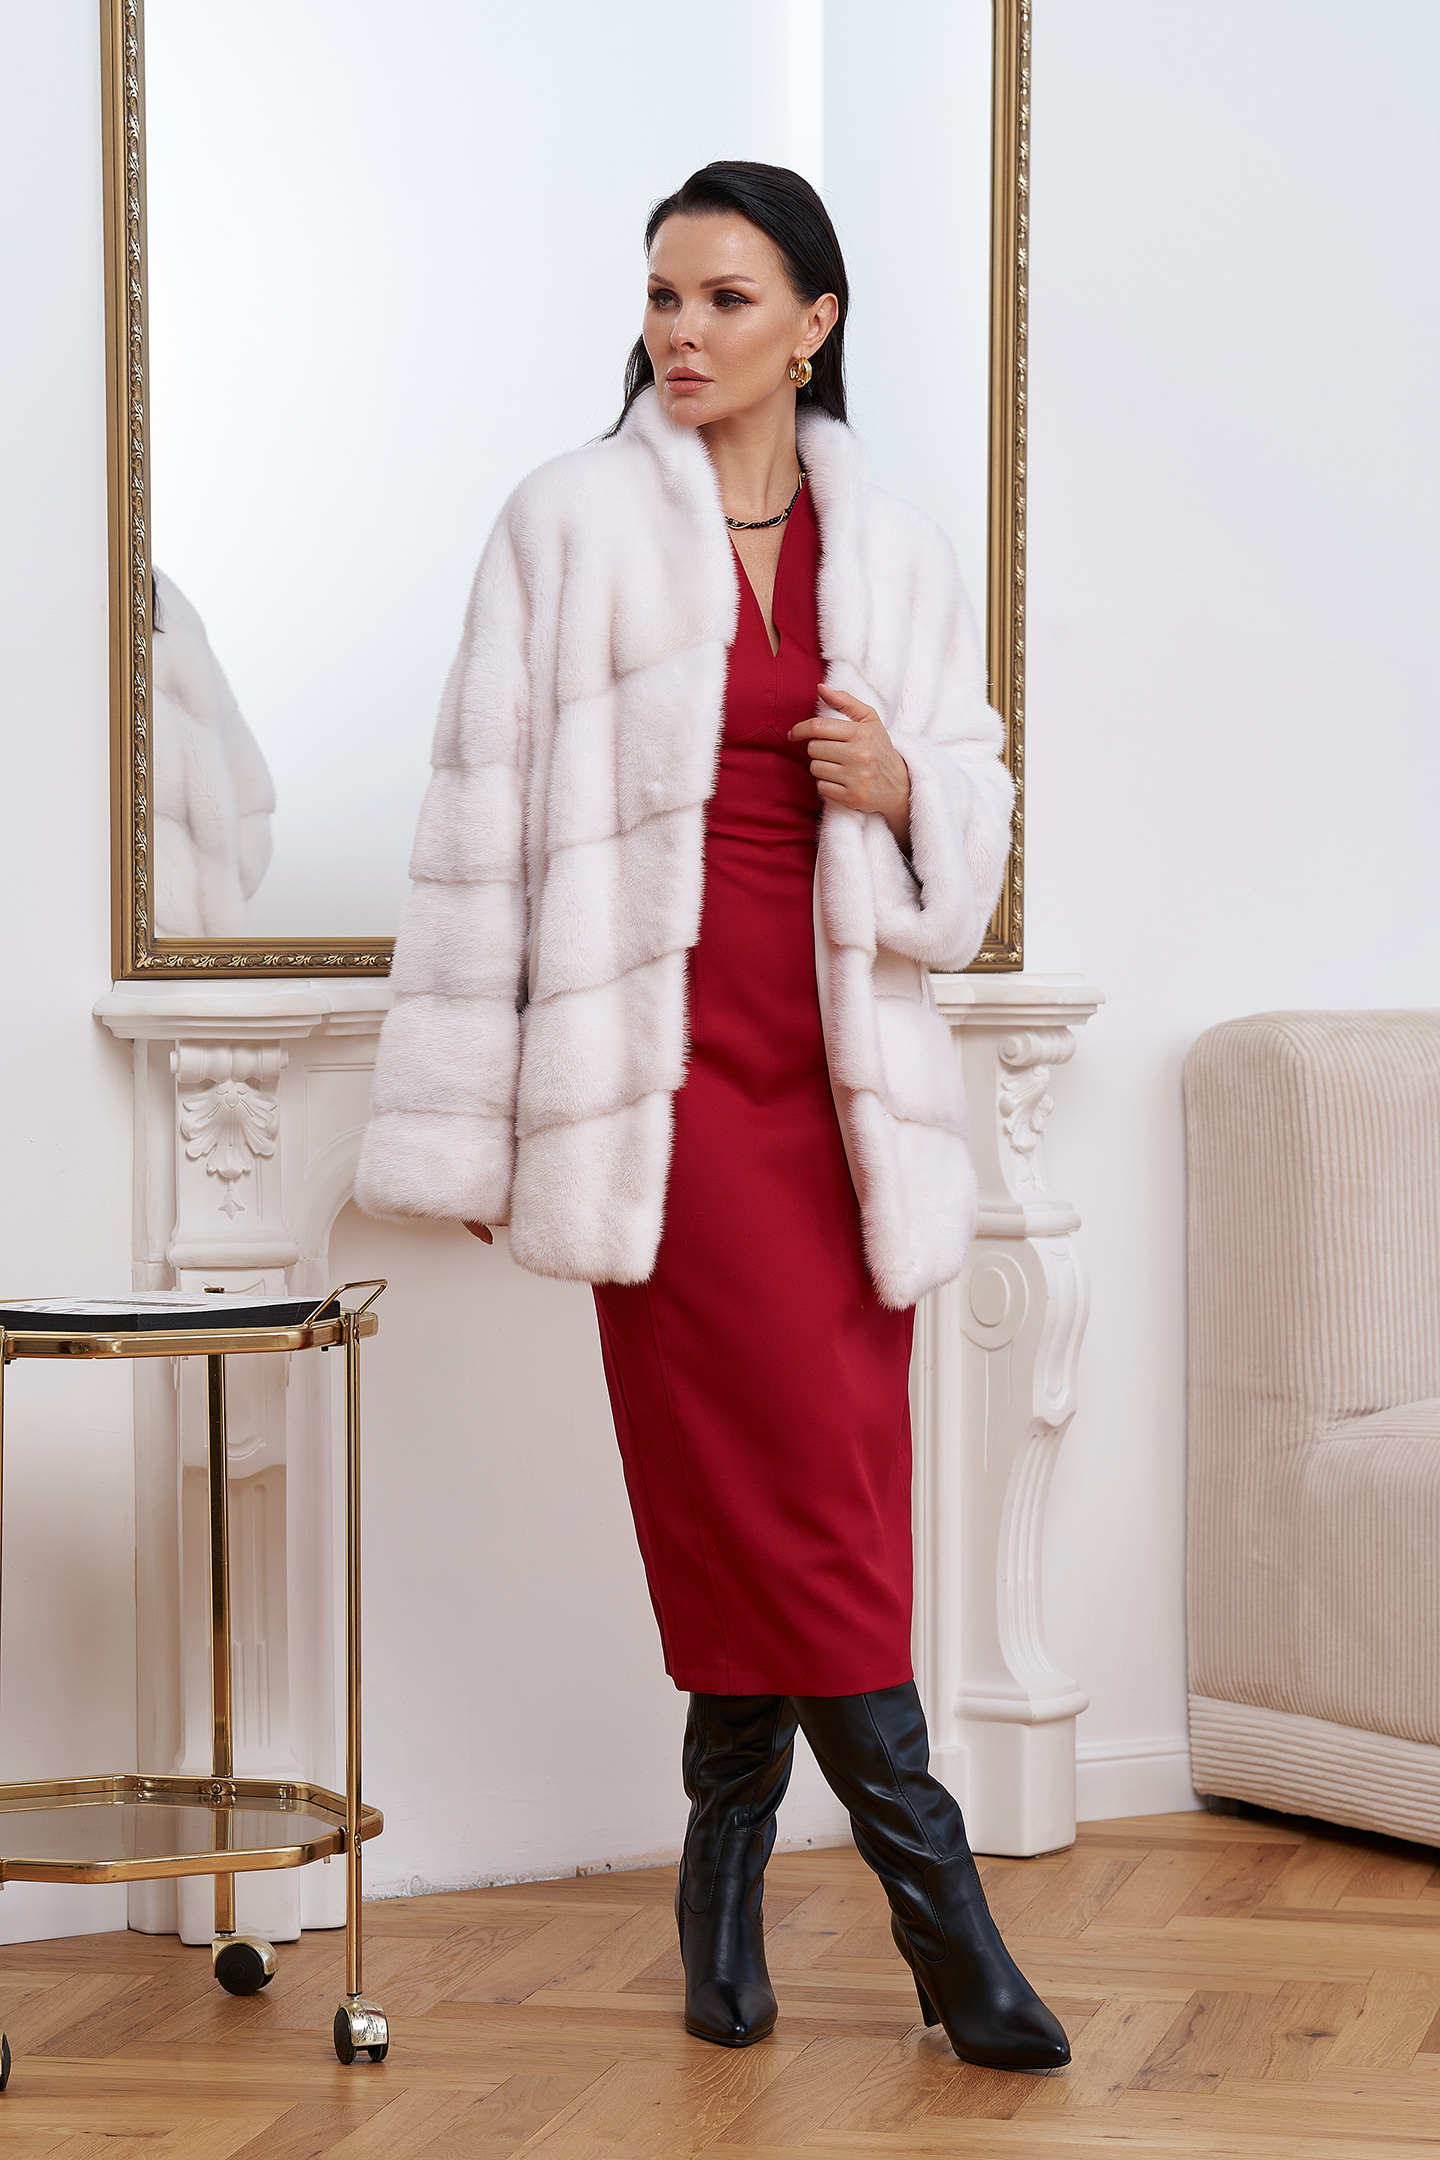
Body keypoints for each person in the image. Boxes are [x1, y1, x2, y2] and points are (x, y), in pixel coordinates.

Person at [356, 161, 1068, 2075]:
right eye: (664, 296)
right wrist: (471, 1120)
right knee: (789, 1513)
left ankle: (721, 1877)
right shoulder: (565, 521)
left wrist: (906, 784)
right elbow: (479, 823)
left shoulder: (893, 545)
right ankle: (950, 1932)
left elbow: (974, 814)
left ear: (815, 322)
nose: (683, 331)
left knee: (820, 1505)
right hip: (660, 1106)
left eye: (727, 299)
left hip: (845, 1106)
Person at [150, 568, 275, 936]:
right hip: (130, 918)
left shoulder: (164, 598)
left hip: (178, 925)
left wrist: (234, 865)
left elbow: (226, 738)